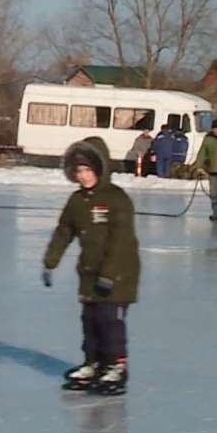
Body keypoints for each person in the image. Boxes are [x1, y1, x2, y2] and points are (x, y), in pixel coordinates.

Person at [43, 137, 140, 396]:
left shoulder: (116, 199)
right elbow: (64, 231)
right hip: (88, 272)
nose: (83, 176)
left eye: (88, 170)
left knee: (110, 321)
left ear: (100, 168)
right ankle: (94, 363)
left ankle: (116, 366)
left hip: (119, 272)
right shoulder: (77, 201)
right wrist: (50, 262)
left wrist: (109, 274)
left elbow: (122, 240)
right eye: (78, 171)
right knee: (90, 320)